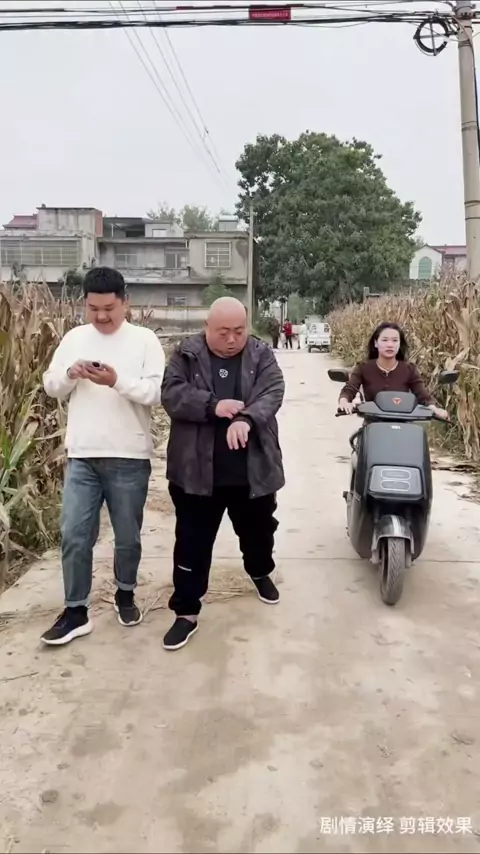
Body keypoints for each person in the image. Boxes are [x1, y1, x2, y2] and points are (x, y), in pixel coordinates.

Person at [41, 267, 166, 646]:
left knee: (127, 537)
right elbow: (51, 386)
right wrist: (71, 373)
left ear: (125, 302)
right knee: (74, 535)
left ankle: (125, 593)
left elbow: (156, 393)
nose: (101, 316)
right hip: (82, 455)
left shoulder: (144, 340)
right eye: (93, 308)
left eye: (109, 308)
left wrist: (115, 381)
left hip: (129, 456)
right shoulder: (75, 338)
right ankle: (76, 610)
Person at [161, 297, 285, 651]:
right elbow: (171, 394)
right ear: (207, 328)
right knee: (192, 543)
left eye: (239, 331)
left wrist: (246, 419)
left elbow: (272, 391)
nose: (232, 339)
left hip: (252, 473)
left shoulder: (261, 354)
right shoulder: (186, 354)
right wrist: (213, 406)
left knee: (259, 534)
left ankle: (259, 571)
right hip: (196, 473)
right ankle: (186, 611)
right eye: (223, 332)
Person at [337, 321, 448, 420]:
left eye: (395, 340)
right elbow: (349, 389)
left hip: (403, 424)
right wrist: (344, 402)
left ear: (399, 344)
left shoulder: (409, 369)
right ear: (376, 343)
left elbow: (423, 397)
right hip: (373, 424)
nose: (390, 345)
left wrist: (435, 409)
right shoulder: (363, 368)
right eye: (385, 340)